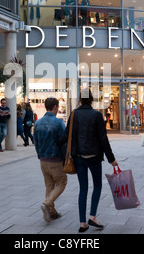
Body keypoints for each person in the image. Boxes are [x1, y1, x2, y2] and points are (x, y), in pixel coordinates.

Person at [61, 88, 118, 233]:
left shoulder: (74, 114)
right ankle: (92, 216)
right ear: (92, 99)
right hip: (94, 157)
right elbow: (103, 139)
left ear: (80, 99)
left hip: (79, 157)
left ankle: (82, 223)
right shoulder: (97, 115)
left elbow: (66, 136)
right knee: (97, 185)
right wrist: (112, 159)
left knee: (83, 189)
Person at [33, 97, 67, 223]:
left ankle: (52, 212)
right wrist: (64, 159)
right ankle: (47, 202)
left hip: (43, 159)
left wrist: (39, 155)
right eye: (58, 107)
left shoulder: (37, 123)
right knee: (61, 182)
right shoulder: (58, 123)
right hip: (55, 159)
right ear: (55, 107)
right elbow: (63, 142)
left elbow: (35, 142)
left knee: (49, 184)